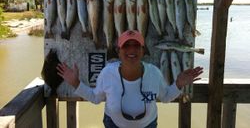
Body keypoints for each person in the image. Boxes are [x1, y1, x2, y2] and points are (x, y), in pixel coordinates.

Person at [57, 30, 203, 128]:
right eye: (126, 46)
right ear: (119, 52)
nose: (131, 50)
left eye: (136, 46)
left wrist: (179, 84)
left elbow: (165, 97)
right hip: (113, 125)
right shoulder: (107, 73)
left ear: (143, 51)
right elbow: (95, 98)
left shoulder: (154, 73)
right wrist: (75, 83)